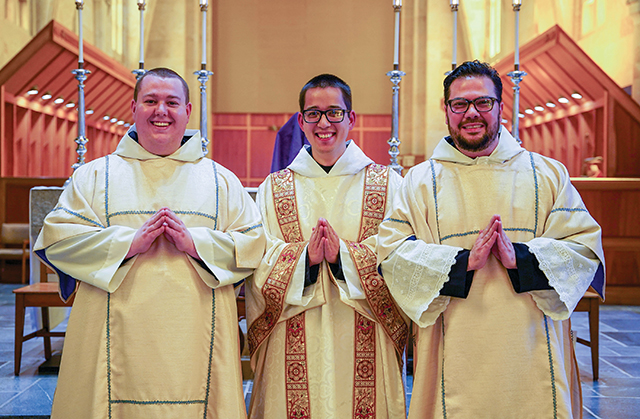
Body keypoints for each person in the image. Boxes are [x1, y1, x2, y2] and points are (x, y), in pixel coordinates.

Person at [377, 60, 605, 419]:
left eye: (483, 103)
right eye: (460, 104)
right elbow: (392, 253)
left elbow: (583, 246)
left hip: (531, 345)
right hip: (453, 349)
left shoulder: (546, 174)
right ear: (447, 110)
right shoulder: (420, 182)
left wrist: (522, 259)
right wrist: (461, 263)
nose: (472, 113)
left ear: (500, 106)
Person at [34, 67, 265, 419]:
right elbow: (57, 239)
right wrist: (127, 244)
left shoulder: (221, 181)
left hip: (194, 348)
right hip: (114, 348)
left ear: (188, 111)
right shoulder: (95, 176)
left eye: (172, 102)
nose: (161, 111)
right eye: (151, 101)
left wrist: (195, 243)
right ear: (133, 108)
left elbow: (253, 244)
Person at [246, 74, 409, 418]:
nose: (324, 123)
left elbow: (401, 259)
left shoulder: (387, 185)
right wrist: (304, 260)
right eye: (313, 114)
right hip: (289, 338)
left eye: (334, 112)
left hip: (366, 336)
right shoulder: (274, 189)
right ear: (301, 121)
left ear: (351, 119)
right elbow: (257, 259)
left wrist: (342, 258)